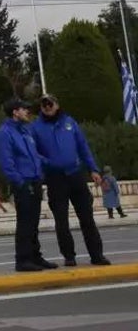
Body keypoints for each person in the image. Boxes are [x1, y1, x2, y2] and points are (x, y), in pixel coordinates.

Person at [31, 94, 110, 266]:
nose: (48, 107)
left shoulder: (69, 122)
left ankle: (97, 255)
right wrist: (48, 163)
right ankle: (69, 256)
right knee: (61, 220)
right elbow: (33, 152)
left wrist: (93, 169)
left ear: (57, 105)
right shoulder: (35, 127)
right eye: (44, 105)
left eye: (50, 103)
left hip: (75, 175)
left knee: (87, 217)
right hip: (55, 178)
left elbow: (83, 147)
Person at [0, 98, 56, 273]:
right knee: (25, 223)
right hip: (23, 183)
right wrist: (20, 182)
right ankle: (23, 259)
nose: (27, 112)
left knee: (33, 222)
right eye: (24, 109)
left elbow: (35, 156)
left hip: (35, 180)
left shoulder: (25, 132)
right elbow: (7, 163)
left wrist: (53, 163)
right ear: (15, 112)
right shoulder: (5, 133)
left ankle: (35, 256)